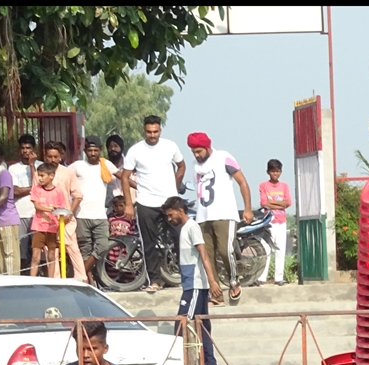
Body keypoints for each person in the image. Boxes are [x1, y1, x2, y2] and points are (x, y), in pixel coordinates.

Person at [121, 115, 186, 292]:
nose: (152, 135)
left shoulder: (170, 146)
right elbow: (125, 177)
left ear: (160, 130)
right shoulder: (135, 150)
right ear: (144, 131)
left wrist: (175, 186)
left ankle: (186, 277)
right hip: (146, 202)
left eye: (155, 131)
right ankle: (155, 280)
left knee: (181, 237)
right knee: (148, 243)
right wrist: (128, 204)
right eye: (149, 132)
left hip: (169, 202)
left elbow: (181, 166)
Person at [187, 132, 253, 301]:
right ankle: (216, 294)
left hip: (224, 214)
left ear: (207, 147)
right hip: (203, 216)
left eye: (199, 151)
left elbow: (242, 182)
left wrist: (247, 208)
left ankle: (233, 280)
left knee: (225, 250)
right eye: (193, 152)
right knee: (207, 256)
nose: (196, 155)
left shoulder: (223, 157)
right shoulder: (194, 166)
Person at [163, 195, 223, 365]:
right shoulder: (184, 229)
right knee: (202, 325)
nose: (169, 219)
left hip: (195, 285)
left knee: (182, 323)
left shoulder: (192, 227)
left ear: (180, 211)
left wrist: (212, 281)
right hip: (191, 283)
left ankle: (180, 364)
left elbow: (204, 254)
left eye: (171, 215)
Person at [70, 136, 114, 284]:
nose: (93, 153)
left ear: (100, 150)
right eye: (90, 150)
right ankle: (88, 280)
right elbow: (63, 177)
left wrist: (141, 187)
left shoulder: (106, 165)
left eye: (96, 150)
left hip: (100, 215)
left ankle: (81, 275)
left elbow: (124, 176)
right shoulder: (77, 166)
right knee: (85, 249)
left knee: (103, 246)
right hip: (81, 215)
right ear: (85, 151)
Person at [43, 141, 87, 283]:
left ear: (61, 156)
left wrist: (69, 213)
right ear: (45, 156)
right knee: (51, 250)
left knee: (72, 248)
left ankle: (81, 279)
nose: (53, 160)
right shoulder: (41, 172)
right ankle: (55, 281)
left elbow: (78, 196)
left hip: (66, 218)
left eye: (56, 157)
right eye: (50, 156)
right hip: (47, 219)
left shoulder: (68, 173)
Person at [10, 135, 41, 274]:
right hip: (20, 213)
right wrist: (34, 188)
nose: (25, 151)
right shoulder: (13, 168)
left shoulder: (40, 166)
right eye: (22, 148)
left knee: (38, 252)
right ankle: (22, 277)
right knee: (21, 252)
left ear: (33, 149)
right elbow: (15, 191)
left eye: (28, 148)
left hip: (38, 214)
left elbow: (42, 188)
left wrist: (32, 165)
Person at [28, 163, 66, 278]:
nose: (40, 178)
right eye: (38, 175)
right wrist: (50, 209)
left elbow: (62, 209)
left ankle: (51, 280)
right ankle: (32, 280)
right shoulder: (36, 189)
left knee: (51, 255)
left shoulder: (58, 192)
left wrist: (57, 211)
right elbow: (37, 206)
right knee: (35, 256)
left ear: (51, 176)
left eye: (42, 175)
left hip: (52, 228)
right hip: (39, 227)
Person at [257, 159, 290, 286]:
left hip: (281, 221)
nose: (275, 174)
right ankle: (261, 277)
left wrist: (272, 203)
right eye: (273, 171)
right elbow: (264, 203)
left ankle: (279, 277)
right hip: (269, 221)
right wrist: (280, 204)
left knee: (280, 249)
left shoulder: (284, 186)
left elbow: (288, 202)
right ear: (268, 172)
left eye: (278, 171)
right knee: (266, 249)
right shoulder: (263, 185)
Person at [0, 148, 21, 275]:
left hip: (6, 219)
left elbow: (3, 197)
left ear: (1, 157)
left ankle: (13, 283)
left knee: (10, 256)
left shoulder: (3, 173)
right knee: (0, 259)